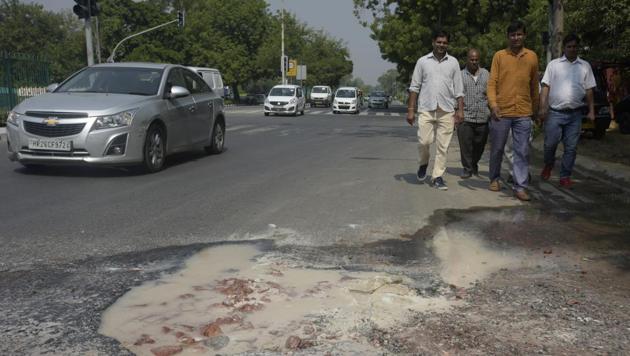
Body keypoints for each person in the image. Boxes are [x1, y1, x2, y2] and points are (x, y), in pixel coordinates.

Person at [487, 20, 540, 201]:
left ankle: (520, 186)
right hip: (500, 111)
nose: (516, 38)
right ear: (508, 37)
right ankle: (494, 178)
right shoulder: (499, 56)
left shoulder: (532, 57)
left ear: (524, 36)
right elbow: (492, 83)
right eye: (512, 35)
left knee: (522, 150)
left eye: (519, 34)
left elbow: (534, 86)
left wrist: (536, 109)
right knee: (497, 148)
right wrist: (493, 105)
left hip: (524, 112)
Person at [407, 30, 464, 190]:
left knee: (442, 146)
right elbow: (414, 87)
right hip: (426, 108)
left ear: (448, 44)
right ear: (433, 42)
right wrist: (411, 110)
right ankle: (423, 163)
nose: (441, 45)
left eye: (444, 42)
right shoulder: (422, 61)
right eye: (439, 42)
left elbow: (459, 89)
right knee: (424, 141)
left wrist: (460, 110)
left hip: (446, 110)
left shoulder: (453, 62)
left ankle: (437, 176)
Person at [538, 33, 596, 187]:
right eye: (569, 46)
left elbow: (589, 90)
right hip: (555, 113)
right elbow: (545, 87)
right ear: (564, 48)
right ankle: (548, 165)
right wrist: (543, 107)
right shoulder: (554, 65)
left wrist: (591, 111)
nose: (572, 49)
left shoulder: (585, 66)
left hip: (575, 114)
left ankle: (565, 176)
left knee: (571, 147)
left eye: (575, 46)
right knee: (550, 144)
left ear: (578, 48)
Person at [458, 48, 490, 178]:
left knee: (479, 145)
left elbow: (491, 92)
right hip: (466, 116)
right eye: (472, 60)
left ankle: (474, 163)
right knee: (465, 146)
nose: (474, 62)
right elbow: (456, 94)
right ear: (467, 59)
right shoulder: (460, 75)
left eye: (476, 60)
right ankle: (467, 168)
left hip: (483, 117)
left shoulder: (486, 74)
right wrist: (457, 112)